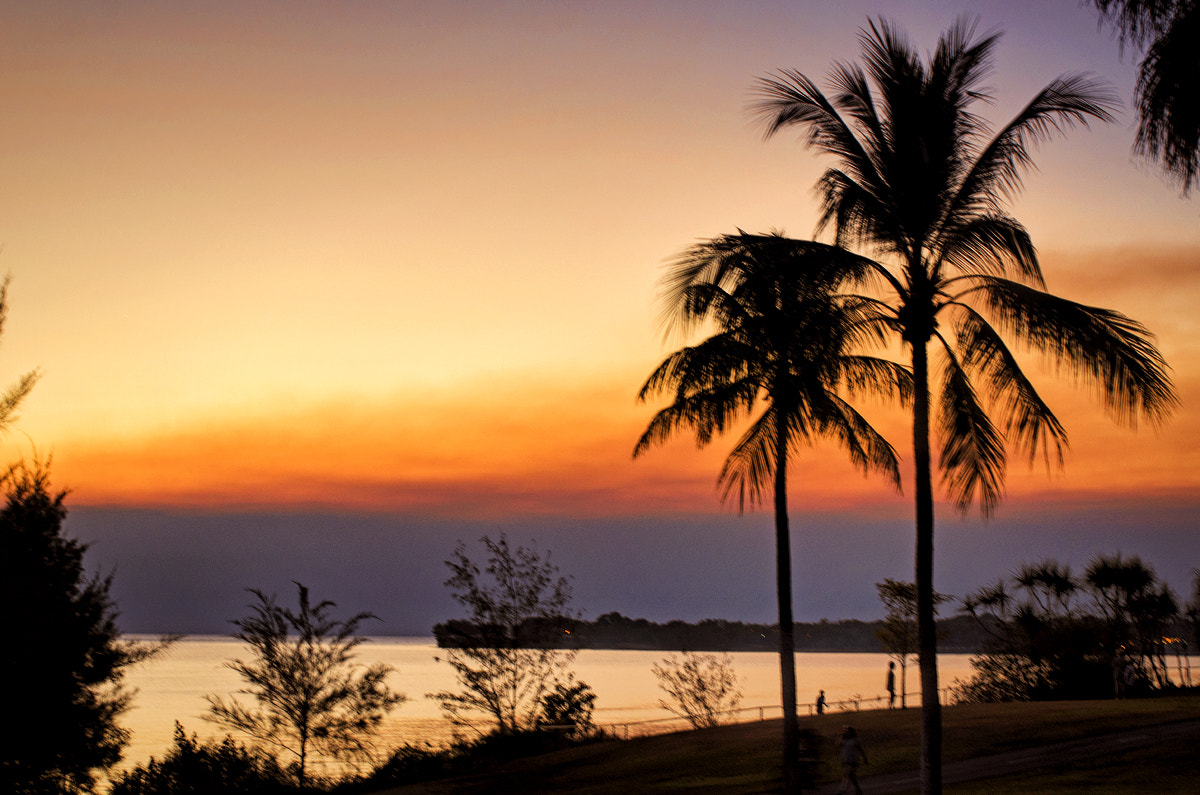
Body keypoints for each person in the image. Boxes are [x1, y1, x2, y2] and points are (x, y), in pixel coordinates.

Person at [838, 725, 868, 795]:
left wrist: (864, 758)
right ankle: (857, 789)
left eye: (848, 731)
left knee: (847, 775)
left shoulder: (855, 740)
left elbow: (860, 749)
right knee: (850, 776)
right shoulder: (844, 739)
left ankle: (842, 791)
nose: (846, 732)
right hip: (846, 759)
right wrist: (842, 736)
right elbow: (839, 746)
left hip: (853, 760)